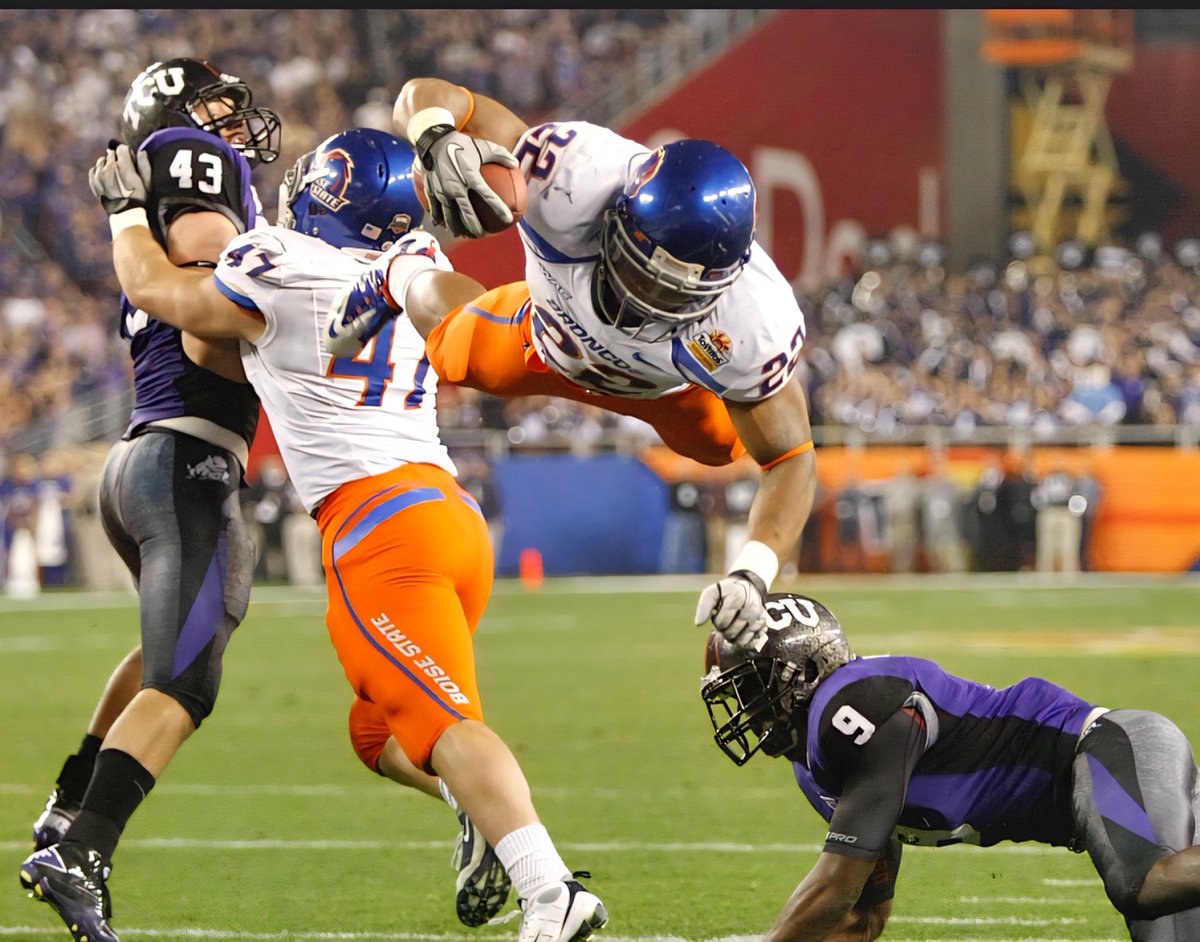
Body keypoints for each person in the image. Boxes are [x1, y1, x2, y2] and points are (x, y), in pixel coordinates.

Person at [80, 127, 607, 942]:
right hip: (449, 518)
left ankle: (551, 891)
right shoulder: (410, 262)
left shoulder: (280, 267)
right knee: (377, 732)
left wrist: (123, 215)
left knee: (446, 728)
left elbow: (163, 295)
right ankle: (478, 815)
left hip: (381, 528)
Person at [326, 76, 818, 651]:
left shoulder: (754, 321)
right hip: (549, 336)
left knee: (723, 446)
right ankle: (401, 272)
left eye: (673, 295)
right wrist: (435, 136)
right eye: (639, 270)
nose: (646, 301)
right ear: (620, 219)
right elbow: (428, 93)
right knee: (455, 355)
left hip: (664, 391)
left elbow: (791, 459)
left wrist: (752, 572)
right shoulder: (569, 174)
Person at [20, 58, 281, 942]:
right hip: (187, 467)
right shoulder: (200, 196)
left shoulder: (157, 219)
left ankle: (65, 805)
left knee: (161, 653)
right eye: (217, 108)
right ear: (177, 118)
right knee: (188, 680)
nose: (234, 125)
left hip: (141, 465)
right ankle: (84, 850)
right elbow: (215, 322)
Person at [700, 592, 1200, 941]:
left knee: (1148, 885)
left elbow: (835, 887)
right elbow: (861, 917)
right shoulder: (817, 763)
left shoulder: (854, 703)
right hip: (1101, 777)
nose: (746, 707)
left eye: (750, 687)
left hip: (1110, 748)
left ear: (803, 671)